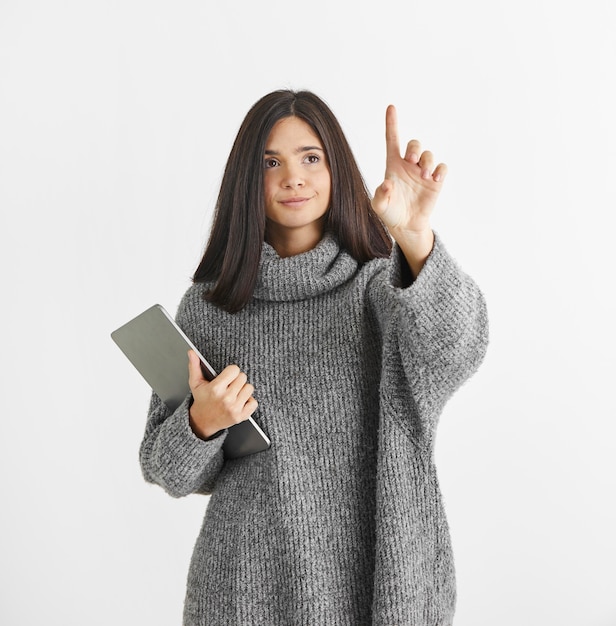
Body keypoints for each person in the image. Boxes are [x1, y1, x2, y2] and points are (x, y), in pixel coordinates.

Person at [139, 89, 489, 626]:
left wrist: (416, 238)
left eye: (310, 158)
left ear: (335, 168)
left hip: (377, 578)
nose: (293, 177)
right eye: (270, 162)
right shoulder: (211, 306)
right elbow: (166, 471)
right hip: (244, 589)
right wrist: (200, 424)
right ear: (246, 181)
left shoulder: (383, 281)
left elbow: (459, 348)